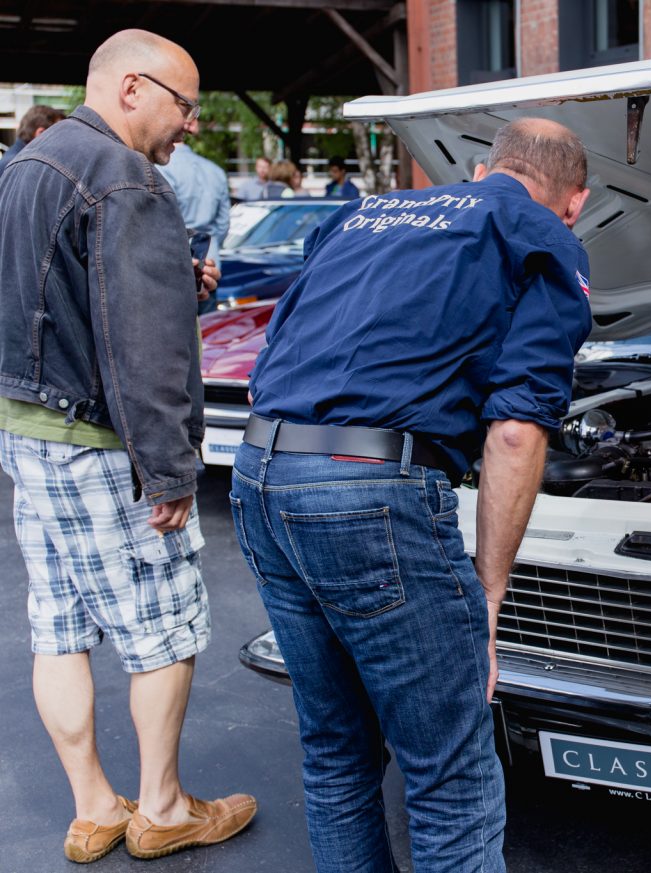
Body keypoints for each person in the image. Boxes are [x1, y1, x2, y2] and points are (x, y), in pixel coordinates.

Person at [229, 117, 591, 872]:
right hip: (369, 493)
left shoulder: (364, 212)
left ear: (486, 164)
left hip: (261, 471)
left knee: (336, 752)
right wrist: (484, 604)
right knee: (448, 777)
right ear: (575, 201)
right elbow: (518, 432)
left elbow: (291, 337)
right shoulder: (536, 231)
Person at [0, 28, 256, 864]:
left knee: (59, 625)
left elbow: (58, 293)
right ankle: (163, 806)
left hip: (28, 433)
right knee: (165, 626)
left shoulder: (26, 165)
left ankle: (94, 807)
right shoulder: (126, 177)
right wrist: (171, 468)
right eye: (186, 105)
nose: (190, 125)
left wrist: (173, 278)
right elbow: (143, 345)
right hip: (104, 440)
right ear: (135, 88)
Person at [157, 141, 231, 313]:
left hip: (174, 267)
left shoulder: (162, 168)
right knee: (207, 332)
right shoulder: (216, 171)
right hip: (208, 265)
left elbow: (162, 221)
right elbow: (223, 224)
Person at [0, 104, 65, 172]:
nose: (62, 142)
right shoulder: (21, 165)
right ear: (41, 133)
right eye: (59, 135)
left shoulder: (15, 160)